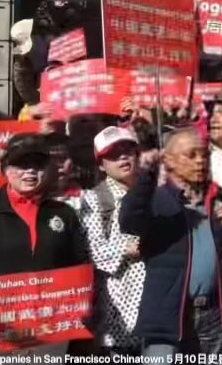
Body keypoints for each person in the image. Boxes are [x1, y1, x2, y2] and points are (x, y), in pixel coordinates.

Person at [0, 133, 88, 358]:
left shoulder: (65, 214)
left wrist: (82, 311)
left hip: (50, 338)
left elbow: (79, 266)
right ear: (4, 169)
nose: (30, 172)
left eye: (37, 164)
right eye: (21, 165)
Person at [119, 128, 222, 358]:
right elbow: (130, 222)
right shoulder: (156, 199)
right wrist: (145, 178)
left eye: (204, 155)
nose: (200, 161)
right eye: (190, 155)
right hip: (169, 316)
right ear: (168, 161)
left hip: (214, 314)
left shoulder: (219, 197)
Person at [79, 126, 146, 355]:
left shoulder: (156, 193)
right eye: (114, 154)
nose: (123, 157)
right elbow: (91, 251)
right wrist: (127, 248)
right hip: (118, 315)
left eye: (128, 150)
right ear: (100, 164)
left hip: (158, 312)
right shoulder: (94, 199)